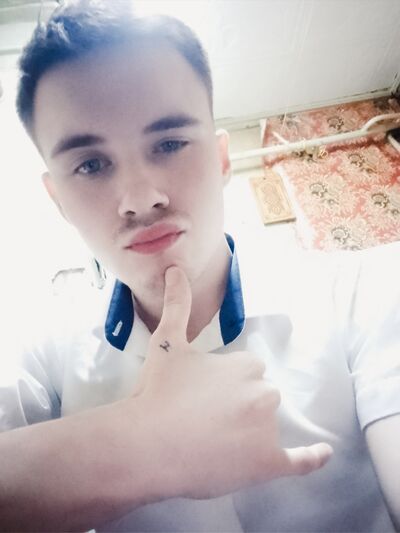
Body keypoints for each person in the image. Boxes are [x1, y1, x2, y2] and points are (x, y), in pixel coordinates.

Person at [1, 0, 399, 531]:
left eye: (169, 143)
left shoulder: (362, 290)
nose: (140, 199)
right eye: (91, 164)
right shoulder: (41, 351)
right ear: (58, 200)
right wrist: (143, 442)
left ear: (221, 159)